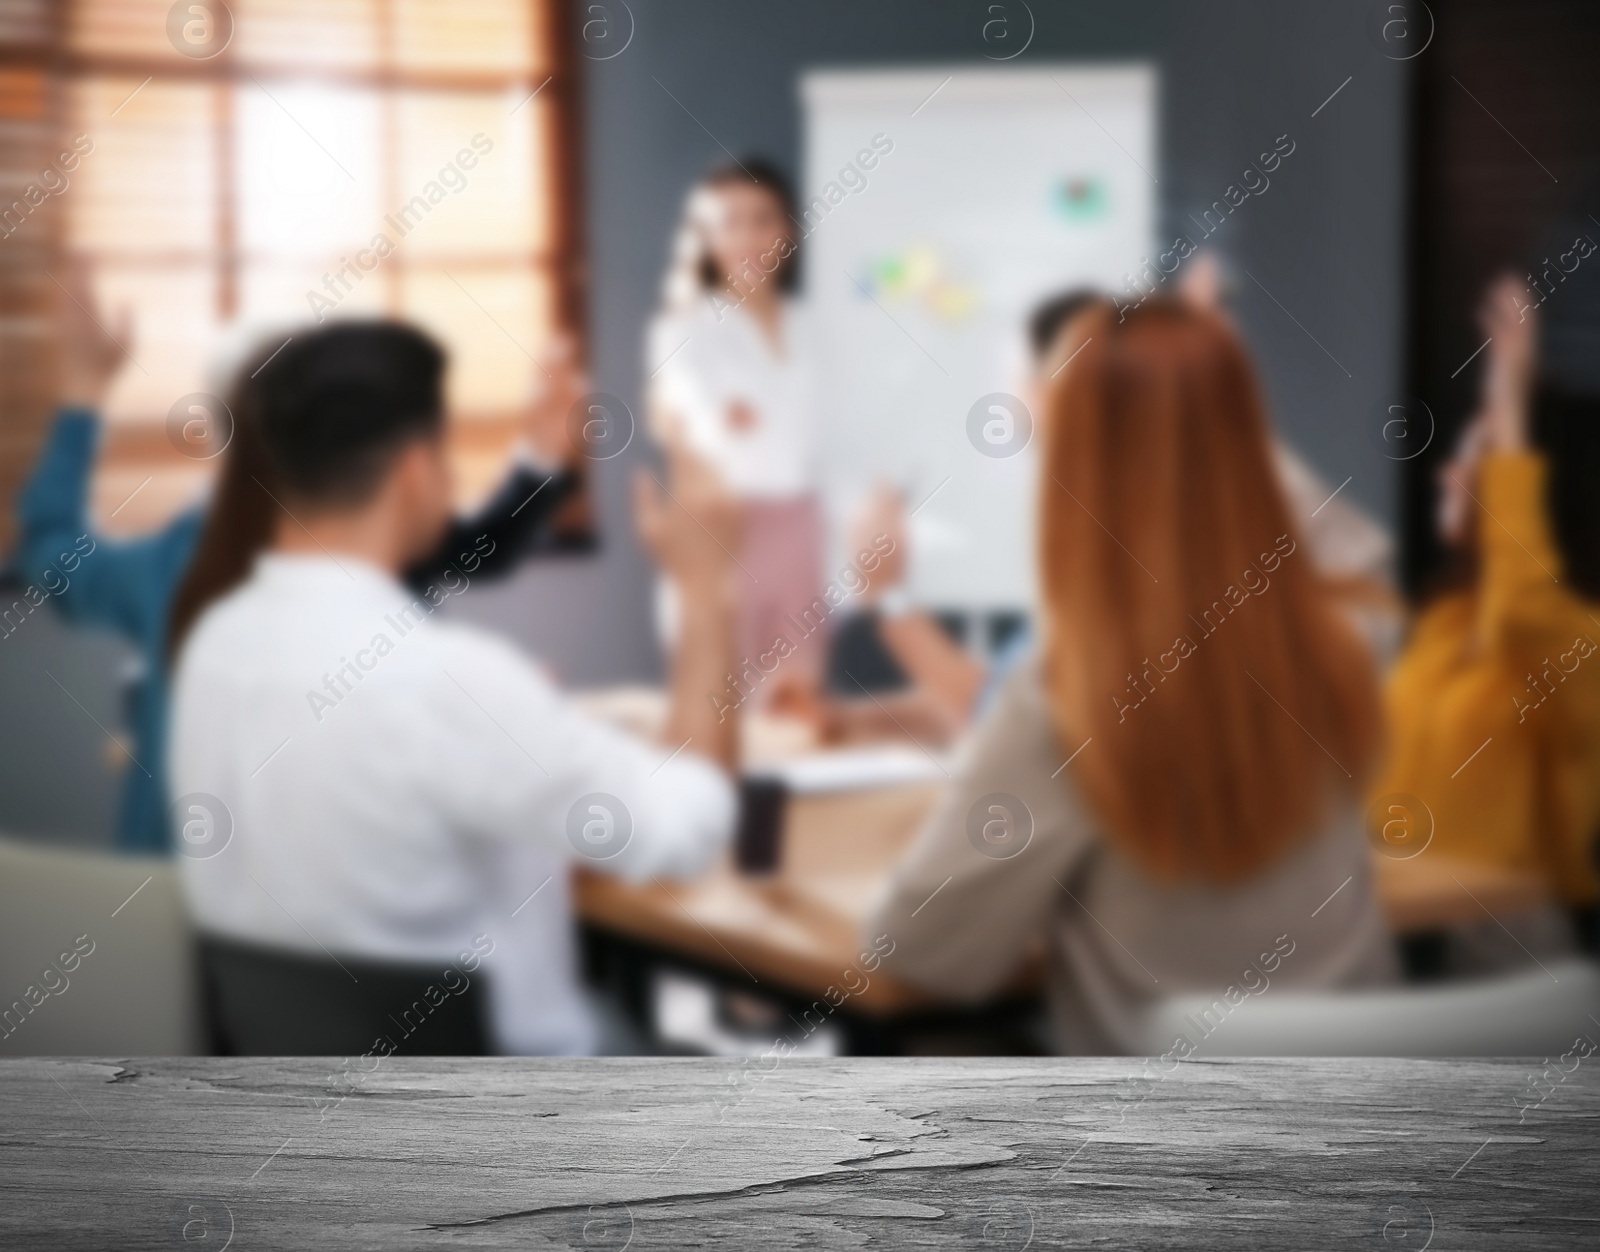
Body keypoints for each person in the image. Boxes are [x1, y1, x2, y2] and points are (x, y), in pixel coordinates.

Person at [169, 321, 741, 1055]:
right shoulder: (448, 682)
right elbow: (689, 830)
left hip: (310, 1119)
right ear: (416, 468)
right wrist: (705, 588)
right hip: (523, 1128)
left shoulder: (213, 646)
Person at [866, 295, 1394, 1054]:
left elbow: (915, 949)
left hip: (1155, 1153)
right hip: (1370, 1134)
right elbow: (1350, 547)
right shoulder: (1350, 640)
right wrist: (1209, 402)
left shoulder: (1065, 704)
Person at [11, 273, 587, 852]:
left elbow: (50, 553)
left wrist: (83, 396)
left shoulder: (173, 566)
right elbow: (475, 548)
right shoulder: (348, 557)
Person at [817, 268, 1398, 744]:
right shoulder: (1111, 512)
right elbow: (1009, 693)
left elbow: (1014, 719)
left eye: (1020, 377)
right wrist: (855, 719)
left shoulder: (1154, 534)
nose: (1012, 402)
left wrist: (889, 598)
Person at [1370, 276, 1600, 969]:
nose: (1449, 474)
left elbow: (1525, 604)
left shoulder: (1578, 639)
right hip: (1402, 925)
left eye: (1480, 455)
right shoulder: (1443, 623)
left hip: (1512, 949)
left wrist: (1510, 398)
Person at [646, 157, 827, 703]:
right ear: (706, 237)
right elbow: (686, 421)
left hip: (802, 524)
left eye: (763, 218)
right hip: (721, 524)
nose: (749, 237)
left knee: (796, 700)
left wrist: (746, 417)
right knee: (720, 700)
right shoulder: (684, 327)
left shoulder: (813, 325)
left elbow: (823, 429)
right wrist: (724, 421)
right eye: (730, 222)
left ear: (789, 230)